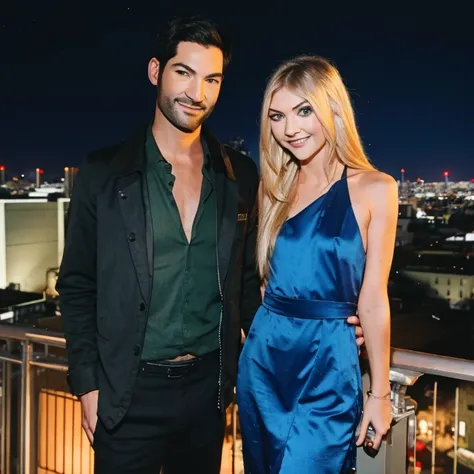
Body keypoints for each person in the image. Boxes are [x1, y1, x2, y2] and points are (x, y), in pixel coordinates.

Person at [57, 16, 365, 474]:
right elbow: (78, 285)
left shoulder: (239, 175)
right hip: (126, 395)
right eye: (184, 72)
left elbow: (250, 285)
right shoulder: (102, 174)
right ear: (155, 71)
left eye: (212, 79)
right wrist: (87, 385)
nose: (197, 93)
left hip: (208, 394)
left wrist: (323, 328)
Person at [237, 55, 398, 473]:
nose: (290, 128)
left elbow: (374, 299)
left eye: (303, 110)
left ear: (333, 109)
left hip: (328, 367)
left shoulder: (377, 188)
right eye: (277, 116)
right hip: (263, 365)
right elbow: (266, 285)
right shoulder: (274, 189)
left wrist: (379, 395)